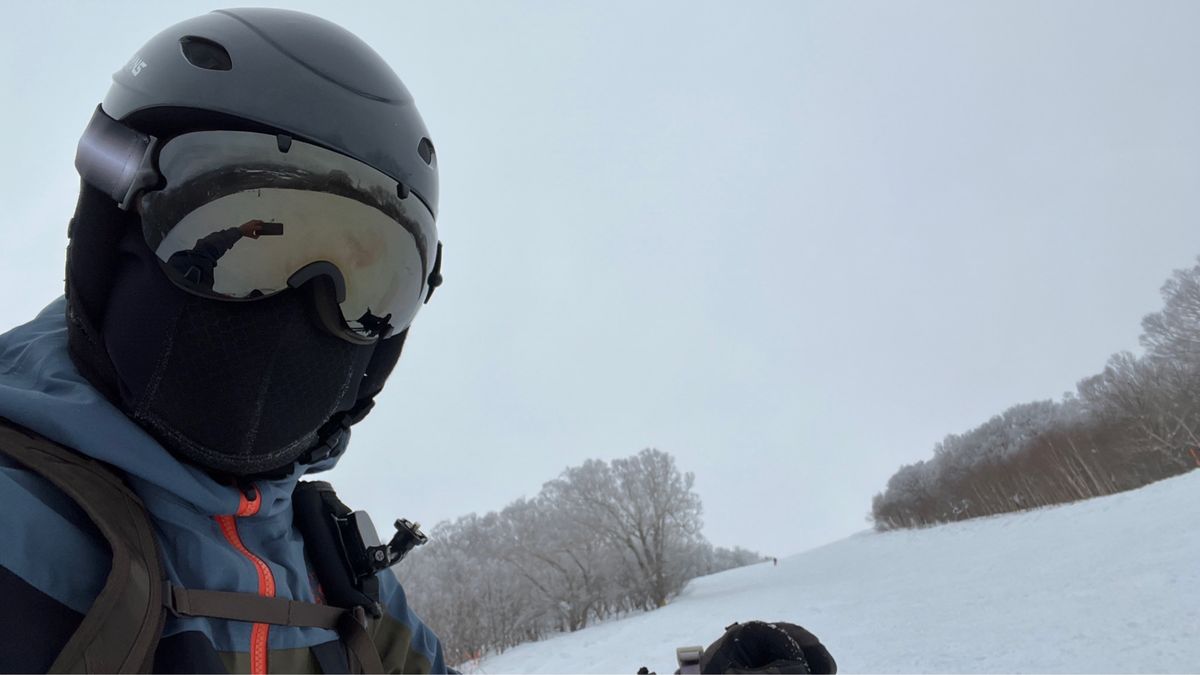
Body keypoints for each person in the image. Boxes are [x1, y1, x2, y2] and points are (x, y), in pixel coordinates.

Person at [0, 8, 445, 673]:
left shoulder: (351, 581)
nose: (305, 302)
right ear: (112, 233)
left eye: (370, 282)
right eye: (253, 229)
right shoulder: (20, 529)